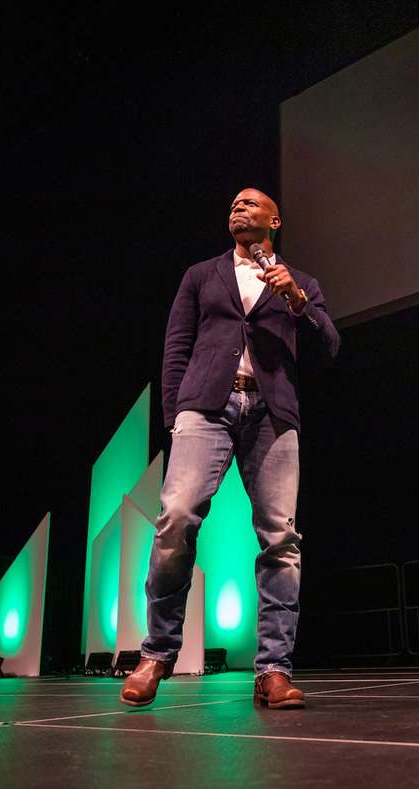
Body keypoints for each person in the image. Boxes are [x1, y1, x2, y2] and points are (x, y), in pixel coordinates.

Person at [120, 188, 340, 710]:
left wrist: (298, 303)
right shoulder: (201, 275)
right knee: (175, 516)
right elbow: (176, 347)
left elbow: (329, 348)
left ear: (274, 219)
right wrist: (177, 416)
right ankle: (156, 654)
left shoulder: (301, 283)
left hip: (272, 413)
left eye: (249, 203)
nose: (237, 208)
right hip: (207, 408)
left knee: (281, 538)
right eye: (233, 204)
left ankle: (273, 670)